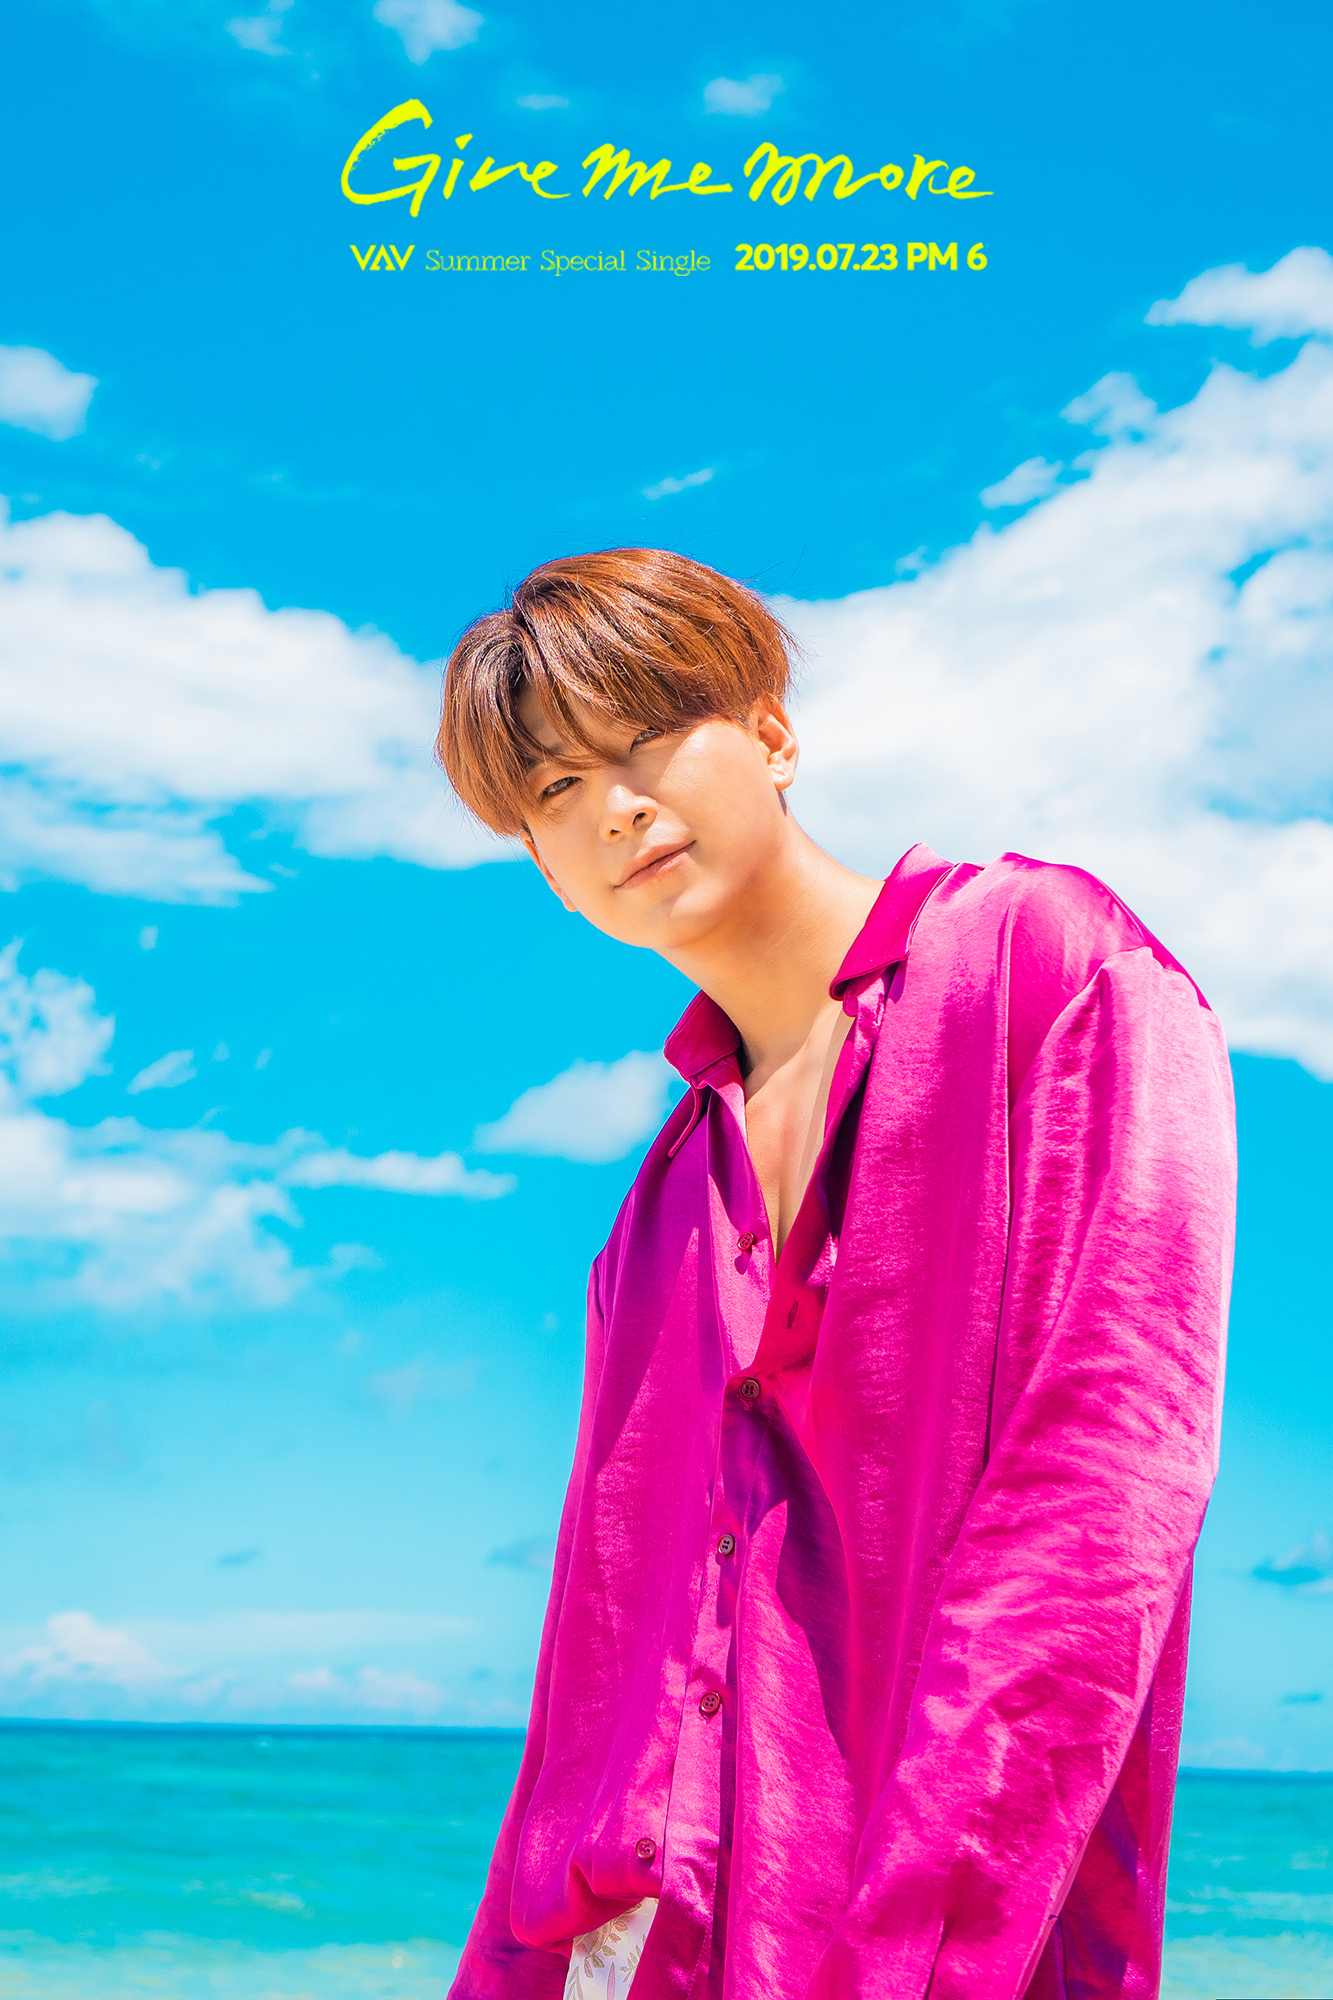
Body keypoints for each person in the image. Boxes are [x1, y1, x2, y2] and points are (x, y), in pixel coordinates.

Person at [436, 548, 1236, 2000]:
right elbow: (592, 1666)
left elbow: (1097, 1501)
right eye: (555, 789)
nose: (615, 806)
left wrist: (916, 1947)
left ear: (772, 734)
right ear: (547, 874)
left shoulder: (1046, 972)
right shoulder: (656, 1214)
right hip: (639, 1950)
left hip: (947, 1944)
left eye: (645, 735)